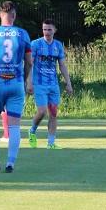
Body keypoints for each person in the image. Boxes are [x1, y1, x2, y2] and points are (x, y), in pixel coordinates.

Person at [0, 1, 33, 173]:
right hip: (16, 84)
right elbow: (29, 62)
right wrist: (26, 80)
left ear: (0, 15)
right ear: (14, 15)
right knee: (14, 125)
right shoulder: (22, 34)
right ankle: (10, 163)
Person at [28, 19, 74, 149]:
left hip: (53, 84)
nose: (46, 32)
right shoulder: (35, 44)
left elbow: (62, 65)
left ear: (54, 30)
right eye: (44, 29)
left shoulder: (58, 45)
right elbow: (30, 64)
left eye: (49, 29)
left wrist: (68, 83)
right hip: (39, 84)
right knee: (42, 111)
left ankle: (51, 143)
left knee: (53, 113)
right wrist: (29, 82)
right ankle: (32, 131)